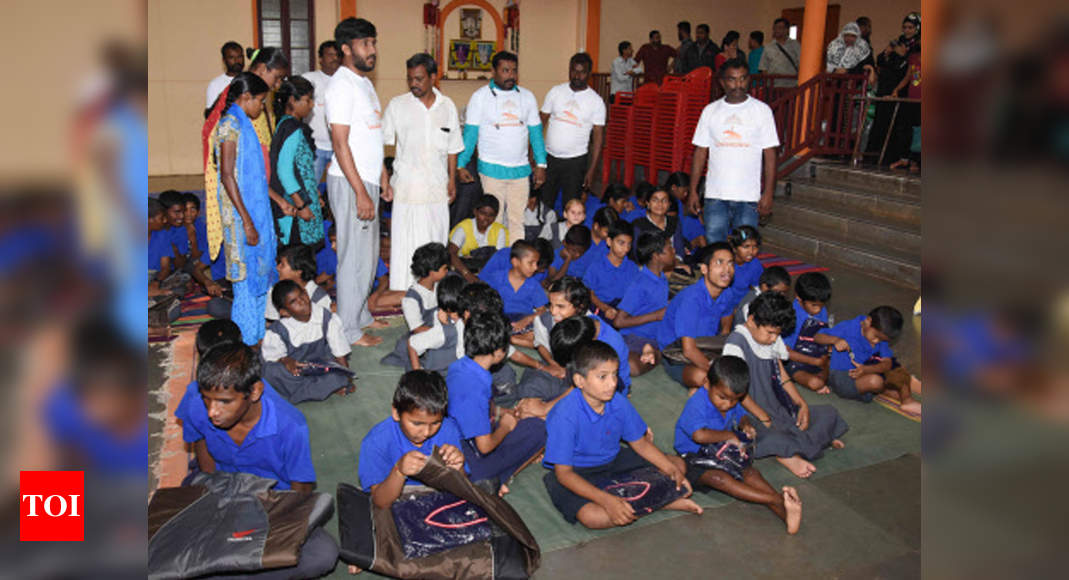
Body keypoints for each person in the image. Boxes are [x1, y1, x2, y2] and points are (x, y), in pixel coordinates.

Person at [174, 341, 338, 579]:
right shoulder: (195, 400)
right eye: (207, 399)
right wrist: (214, 497)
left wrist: (278, 529)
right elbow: (201, 445)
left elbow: (300, 490)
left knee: (323, 554)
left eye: (224, 402)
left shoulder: (291, 425)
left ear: (255, 392)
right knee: (172, 539)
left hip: (271, 500)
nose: (212, 411)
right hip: (221, 487)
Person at [542, 341, 702, 528]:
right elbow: (564, 474)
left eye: (614, 375)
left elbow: (640, 444)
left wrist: (672, 471)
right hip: (578, 472)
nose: (612, 383)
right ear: (579, 381)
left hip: (614, 461)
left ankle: (635, 502)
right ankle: (662, 501)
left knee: (677, 464)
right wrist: (606, 501)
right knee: (593, 517)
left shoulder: (618, 403)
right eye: (602, 377)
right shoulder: (564, 415)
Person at [723, 292, 848, 479]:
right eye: (771, 333)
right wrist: (763, 416)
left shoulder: (770, 338)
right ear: (751, 321)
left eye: (778, 334)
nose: (774, 339)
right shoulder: (735, 344)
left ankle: (794, 447)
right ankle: (789, 454)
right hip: (749, 412)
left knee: (828, 413)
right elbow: (738, 392)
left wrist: (801, 403)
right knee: (765, 435)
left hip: (778, 407)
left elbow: (782, 375)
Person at [674, 355, 803, 534]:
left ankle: (786, 514)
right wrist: (730, 435)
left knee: (750, 473)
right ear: (706, 383)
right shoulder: (696, 404)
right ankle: (777, 500)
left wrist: (745, 424)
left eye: (734, 399)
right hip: (694, 457)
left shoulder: (731, 400)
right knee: (719, 479)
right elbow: (699, 435)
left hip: (722, 451)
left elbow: (740, 414)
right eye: (722, 397)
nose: (728, 404)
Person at [325, 17, 393, 347]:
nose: (373, 50)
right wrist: (360, 191)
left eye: (374, 42)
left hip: (368, 182)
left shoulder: (364, 84)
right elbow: (340, 143)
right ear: (346, 49)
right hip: (351, 184)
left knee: (368, 255)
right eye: (366, 44)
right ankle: (347, 330)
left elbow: (372, 137)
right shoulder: (340, 85)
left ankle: (360, 315)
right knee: (352, 256)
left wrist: (382, 178)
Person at [384, 53, 464, 292]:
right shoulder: (397, 106)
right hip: (407, 189)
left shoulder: (447, 106)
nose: (414, 84)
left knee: (435, 239)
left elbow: (453, 148)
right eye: (410, 79)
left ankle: (434, 291)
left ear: (432, 77)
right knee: (405, 245)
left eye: (419, 79)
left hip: (437, 188)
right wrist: (384, 180)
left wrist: (452, 179)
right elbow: (380, 143)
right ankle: (403, 292)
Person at [202, 48, 289, 263]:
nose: (277, 85)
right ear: (261, 69)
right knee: (243, 255)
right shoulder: (233, 117)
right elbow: (231, 170)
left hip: (256, 188)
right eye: (276, 77)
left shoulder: (253, 102)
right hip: (241, 191)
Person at [447, 311, 547, 491]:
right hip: (470, 459)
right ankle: (500, 479)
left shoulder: (459, 366)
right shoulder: (476, 389)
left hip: (452, 441)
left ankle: (492, 478)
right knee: (540, 429)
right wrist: (505, 426)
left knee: (522, 426)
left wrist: (500, 412)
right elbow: (484, 447)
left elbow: (464, 407)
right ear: (499, 352)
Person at [213, 73, 277, 345]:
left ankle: (258, 333)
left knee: (259, 275)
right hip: (240, 216)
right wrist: (247, 221)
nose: (261, 108)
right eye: (260, 101)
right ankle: (247, 340)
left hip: (251, 213)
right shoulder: (230, 125)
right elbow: (228, 175)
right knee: (245, 281)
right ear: (246, 97)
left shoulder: (244, 124)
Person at [687, 59, 780, 244]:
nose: (738, 84)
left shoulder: (762, 111)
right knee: (715, 246)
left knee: (745, 247)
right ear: (722, 82)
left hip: (748, 197)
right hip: (715, 196)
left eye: (743, 79)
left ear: (749, 80)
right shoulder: (710, 111)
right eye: (732, 79)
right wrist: (693, 190)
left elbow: (770, 156)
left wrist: (768, 193)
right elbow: (700, 153)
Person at [457, 51, 546, 241]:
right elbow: (470, 134)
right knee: (493, 221)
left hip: (520, 171)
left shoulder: (527, 97)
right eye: (505, 70)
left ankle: (516, 262)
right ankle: (492, 261)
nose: (510, 75)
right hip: (491, 170)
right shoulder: (480, 97)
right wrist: (461, 164)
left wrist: (541, 164)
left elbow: (536, 134)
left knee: (516, 220)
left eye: (514, 71)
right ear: (493, 72)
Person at [358, 370, 467, 508]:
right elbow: (380, 502)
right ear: (396, 413)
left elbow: (463, 488)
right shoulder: (375, 441)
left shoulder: (449, 428)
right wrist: (398, 471)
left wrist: (459, 468)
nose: (427, 432)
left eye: (435, 423)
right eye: (417, 423)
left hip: (440, 491)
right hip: (397, 497)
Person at [658, 243, 739, 392]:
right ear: (704, 269)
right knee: (703, 378)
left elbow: (728, 314)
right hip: (677, 353)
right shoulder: (691, 299)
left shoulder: (727, 292)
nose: (726, 270)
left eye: (730, 263)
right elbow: (688, 350)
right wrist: (717, 373)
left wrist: (724, 339)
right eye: (719, 263)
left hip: (705, 345)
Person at [261, 280, 353, 403]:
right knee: (271, 372)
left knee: (338, 374)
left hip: (320, 364)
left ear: (306, 292)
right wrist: (286, 360)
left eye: (302, 295)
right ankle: (322, 388)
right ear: (285, 312)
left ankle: (305, 391)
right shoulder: (278, 330)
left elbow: (339, 350)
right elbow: (271, 355)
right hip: (295, 370)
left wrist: (346, 379)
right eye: (294, 302)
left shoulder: (325, 317)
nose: (302, 302)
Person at [816, 306, 920, 413]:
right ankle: (885, 390)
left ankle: (907, 401)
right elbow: (818, 337)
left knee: (898, 368)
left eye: (880, 340)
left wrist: (866, 369)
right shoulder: (848, 327)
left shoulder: (881, 335)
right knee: (875, 381)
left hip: (867, 369)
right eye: (875, 337)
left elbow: (887, 363)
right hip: (843, 377)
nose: (876, 341)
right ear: (868, 321)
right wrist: (835, 340)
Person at [540, 53, 606, 212]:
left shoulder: (596, 101)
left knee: (570, 207)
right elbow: (539, 123)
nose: (577, 75)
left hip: (575, 162)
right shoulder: (555, 92)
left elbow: (598, 139)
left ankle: (566, 236)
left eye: (582, 72)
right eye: (574, 71)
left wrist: (592, 170)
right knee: (544, 204)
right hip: (550, 159)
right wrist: (534, 155)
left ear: (589, 74)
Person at [269, 76, 325, 247]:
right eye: (308, 100)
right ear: (293, 100)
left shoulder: (285, 125)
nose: (311, 105)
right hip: (295, 207)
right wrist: (301, 206)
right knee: (297, 260)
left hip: (304, 200)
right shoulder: (291, 128)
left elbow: (302, 169)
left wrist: (314, 194)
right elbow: (285, 171)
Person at [615, 231, 674, 377]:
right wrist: (656, 316)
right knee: (633, 367)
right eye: (670, 249)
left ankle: (653, 350)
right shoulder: (640, 283)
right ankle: (652, 352)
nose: (674, 251)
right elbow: (618, 321)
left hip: (654, 337)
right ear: (656, 256)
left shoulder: (661, 278)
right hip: (634, 336)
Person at [393, 275, 467, 372]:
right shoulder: (443, 332)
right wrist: (418, 374)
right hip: (437, 372)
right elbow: (412, 344)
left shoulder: (464, 317)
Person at [782, 272, 832, 393]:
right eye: (814, 305)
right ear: (799, 298)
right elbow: (785, 352)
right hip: (794, 361)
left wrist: (825, 355)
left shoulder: (822, 310)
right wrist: (816, 362)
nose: (819, 309)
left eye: (822, 305)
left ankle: (823, 377)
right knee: (815, 383)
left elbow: (824, 337)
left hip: (816, 356)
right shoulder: (790, 316)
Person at [481, 240, 547, 329]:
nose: (535, 268)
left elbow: (542, 310)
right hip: (499, 321)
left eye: (537, 263)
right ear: (515, 262)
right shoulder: (496, 278)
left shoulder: (534, 284)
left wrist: (528, 319)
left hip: (525, 323)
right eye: (531, 263)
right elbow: (482, 300)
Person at [302, 40, 341, 182]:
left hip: (339, 149)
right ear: (320, 58)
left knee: (338, 193)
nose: (335, 58)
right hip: (314, 147)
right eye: (330, 55)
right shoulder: (309, 79)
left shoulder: (345, 82)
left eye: (337, 55)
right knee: (310, 189)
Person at [582, 219, 637, 320]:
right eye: (621, 243)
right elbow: (589, 292)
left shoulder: (632, 267)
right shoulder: (596, 266)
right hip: (602, 307)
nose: (626, 249)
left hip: (623, 310)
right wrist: (605, 308)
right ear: (609, 241)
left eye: (629, 244)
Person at [449, 194, 509, 281]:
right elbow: (452, 253)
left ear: (495, 216)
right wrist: (468, 275)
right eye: (483, 213)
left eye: (491, 215)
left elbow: (498, 260)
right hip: (464, 270)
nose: (486, 218)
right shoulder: (463, 228)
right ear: (475, 212)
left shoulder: (499, 230)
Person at [266, 244, 332, 321]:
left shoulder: (320, 298)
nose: (277, 268)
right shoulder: (275, 291)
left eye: (282, 265)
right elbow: (270, 323)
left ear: (298, 271)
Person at [400, 242, 451, 331]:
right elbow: (417, 329)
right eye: (445, 268)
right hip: (427, 337)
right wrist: (446, 331)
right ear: (432, 272)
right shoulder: (411, 299)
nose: (447, 271)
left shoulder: (442, 285)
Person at [632, 187, 687, 259]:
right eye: (655, 200)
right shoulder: (638, 225)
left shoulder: (674, 222)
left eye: (664, 200)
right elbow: (636, 253)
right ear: (648, 203)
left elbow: (679, 251)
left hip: (672, 263)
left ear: (669, 204)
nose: (660, 204)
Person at [758, 18, 801, 87]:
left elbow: (801, 64)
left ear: (787, 30)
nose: (777, 30)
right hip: (773, 85)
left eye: (780, 28)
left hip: (791, 85)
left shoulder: (795, 45)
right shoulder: (768, 47)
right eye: (775, 28)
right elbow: (763, 67)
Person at [727, 226, 764, 301]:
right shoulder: (724, 264)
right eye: (746, 247)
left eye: (755, 247)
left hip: (742, 303)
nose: (751, 251)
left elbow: (757, 288)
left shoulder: (755, 265)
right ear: (734, 248)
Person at [206, 41, 243, 109]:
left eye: (239, 57)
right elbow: (210, 114)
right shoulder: (215, 84)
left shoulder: (250, 80)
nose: (237, 61)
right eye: (231, 57)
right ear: (224, 60)